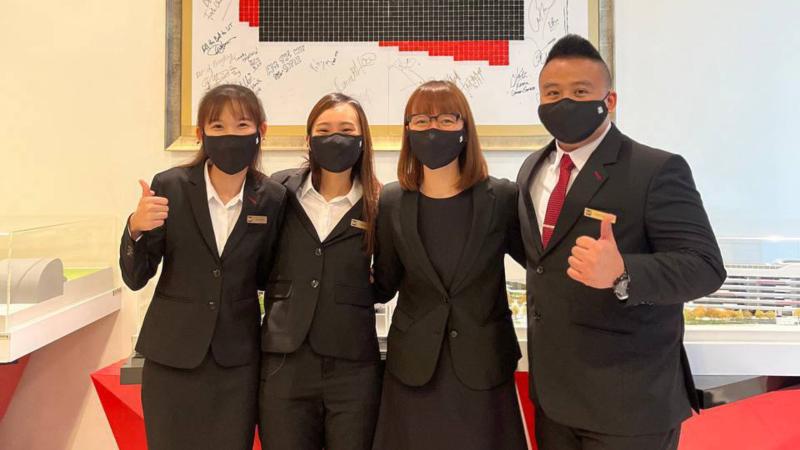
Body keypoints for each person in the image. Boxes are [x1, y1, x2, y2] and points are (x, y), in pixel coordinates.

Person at [516, 35, 726, 450]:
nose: (564, 102)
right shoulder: (532, 169)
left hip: (630, 405)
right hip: (554, 402)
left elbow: (705, 266)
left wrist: (624, 272)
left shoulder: (655, 169)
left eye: (580, 92)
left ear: (609, 101)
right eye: (552, 93)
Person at [119, 84, 286, 450]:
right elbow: (136, 277)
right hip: (172, 356)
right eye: (218, 126)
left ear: (261, 130)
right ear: (200, 133)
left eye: (242, 125)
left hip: (237, 362)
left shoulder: (272, 198)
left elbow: (270, 275)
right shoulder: (170, 186)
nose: (231, 136)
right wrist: (135, 228)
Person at [372, 80, 527, 450]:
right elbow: (384, 283)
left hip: (483, 365)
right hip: (413, 368)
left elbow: (540, 267)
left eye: (445, 119)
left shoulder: (502, 197)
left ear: (464, 127)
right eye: (421, 120)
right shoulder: (392, 200)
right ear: (408, 129)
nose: (433, 129)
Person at [258, 93, 382, 450]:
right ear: (309, 138)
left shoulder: (379, 202)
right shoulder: (280, 191)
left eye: (346, 130)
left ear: (363, 138)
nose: (335, 138)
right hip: (285, 362)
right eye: (324, 130)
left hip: (353, 367)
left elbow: (387, 277)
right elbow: (259, 258)